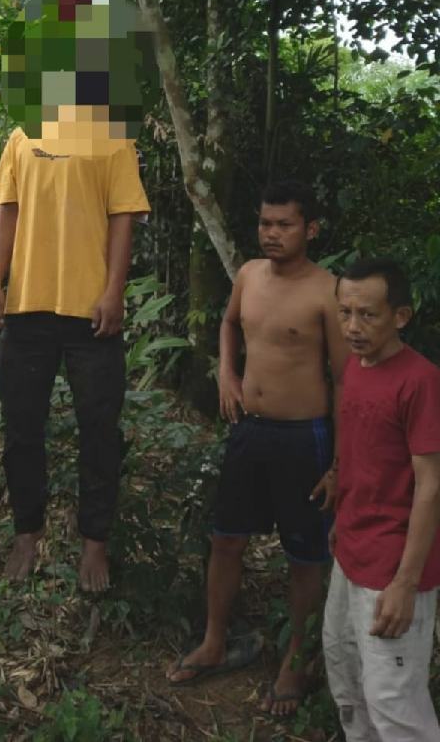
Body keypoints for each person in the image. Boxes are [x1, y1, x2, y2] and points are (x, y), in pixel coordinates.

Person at [167, 180, 349, 717]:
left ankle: (296, 660)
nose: (271, 233)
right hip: (249, 430)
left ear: (310, 229)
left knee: (304, 556)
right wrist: (227, 372)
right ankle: (215, 640)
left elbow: (344, 381)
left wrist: (340, 463)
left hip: (305, 437)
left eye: (284, 224)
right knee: (226, 539)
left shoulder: (328, 291)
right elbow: (228, 325)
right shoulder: (248, 274)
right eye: (265, 223)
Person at [0, 125, 150, 592]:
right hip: (27, 308)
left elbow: (123, 218)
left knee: (99, 431)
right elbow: (7, 211)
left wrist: (114, 291)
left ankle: (94, 541)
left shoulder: (115, 139)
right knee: (21, 429)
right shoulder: (21, 137)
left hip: (90, 312)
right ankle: (27, 532)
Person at [324, 258, 440, 741]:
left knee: (394, 704)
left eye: (367, 314)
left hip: (392, 568)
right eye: (345, 312)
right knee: (347, 680)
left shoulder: (420, 380)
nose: (353, 326)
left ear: (401, 316)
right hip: (349, 552)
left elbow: (431, 484)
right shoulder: (357, 364)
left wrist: (405, 583)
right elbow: (362, 451)